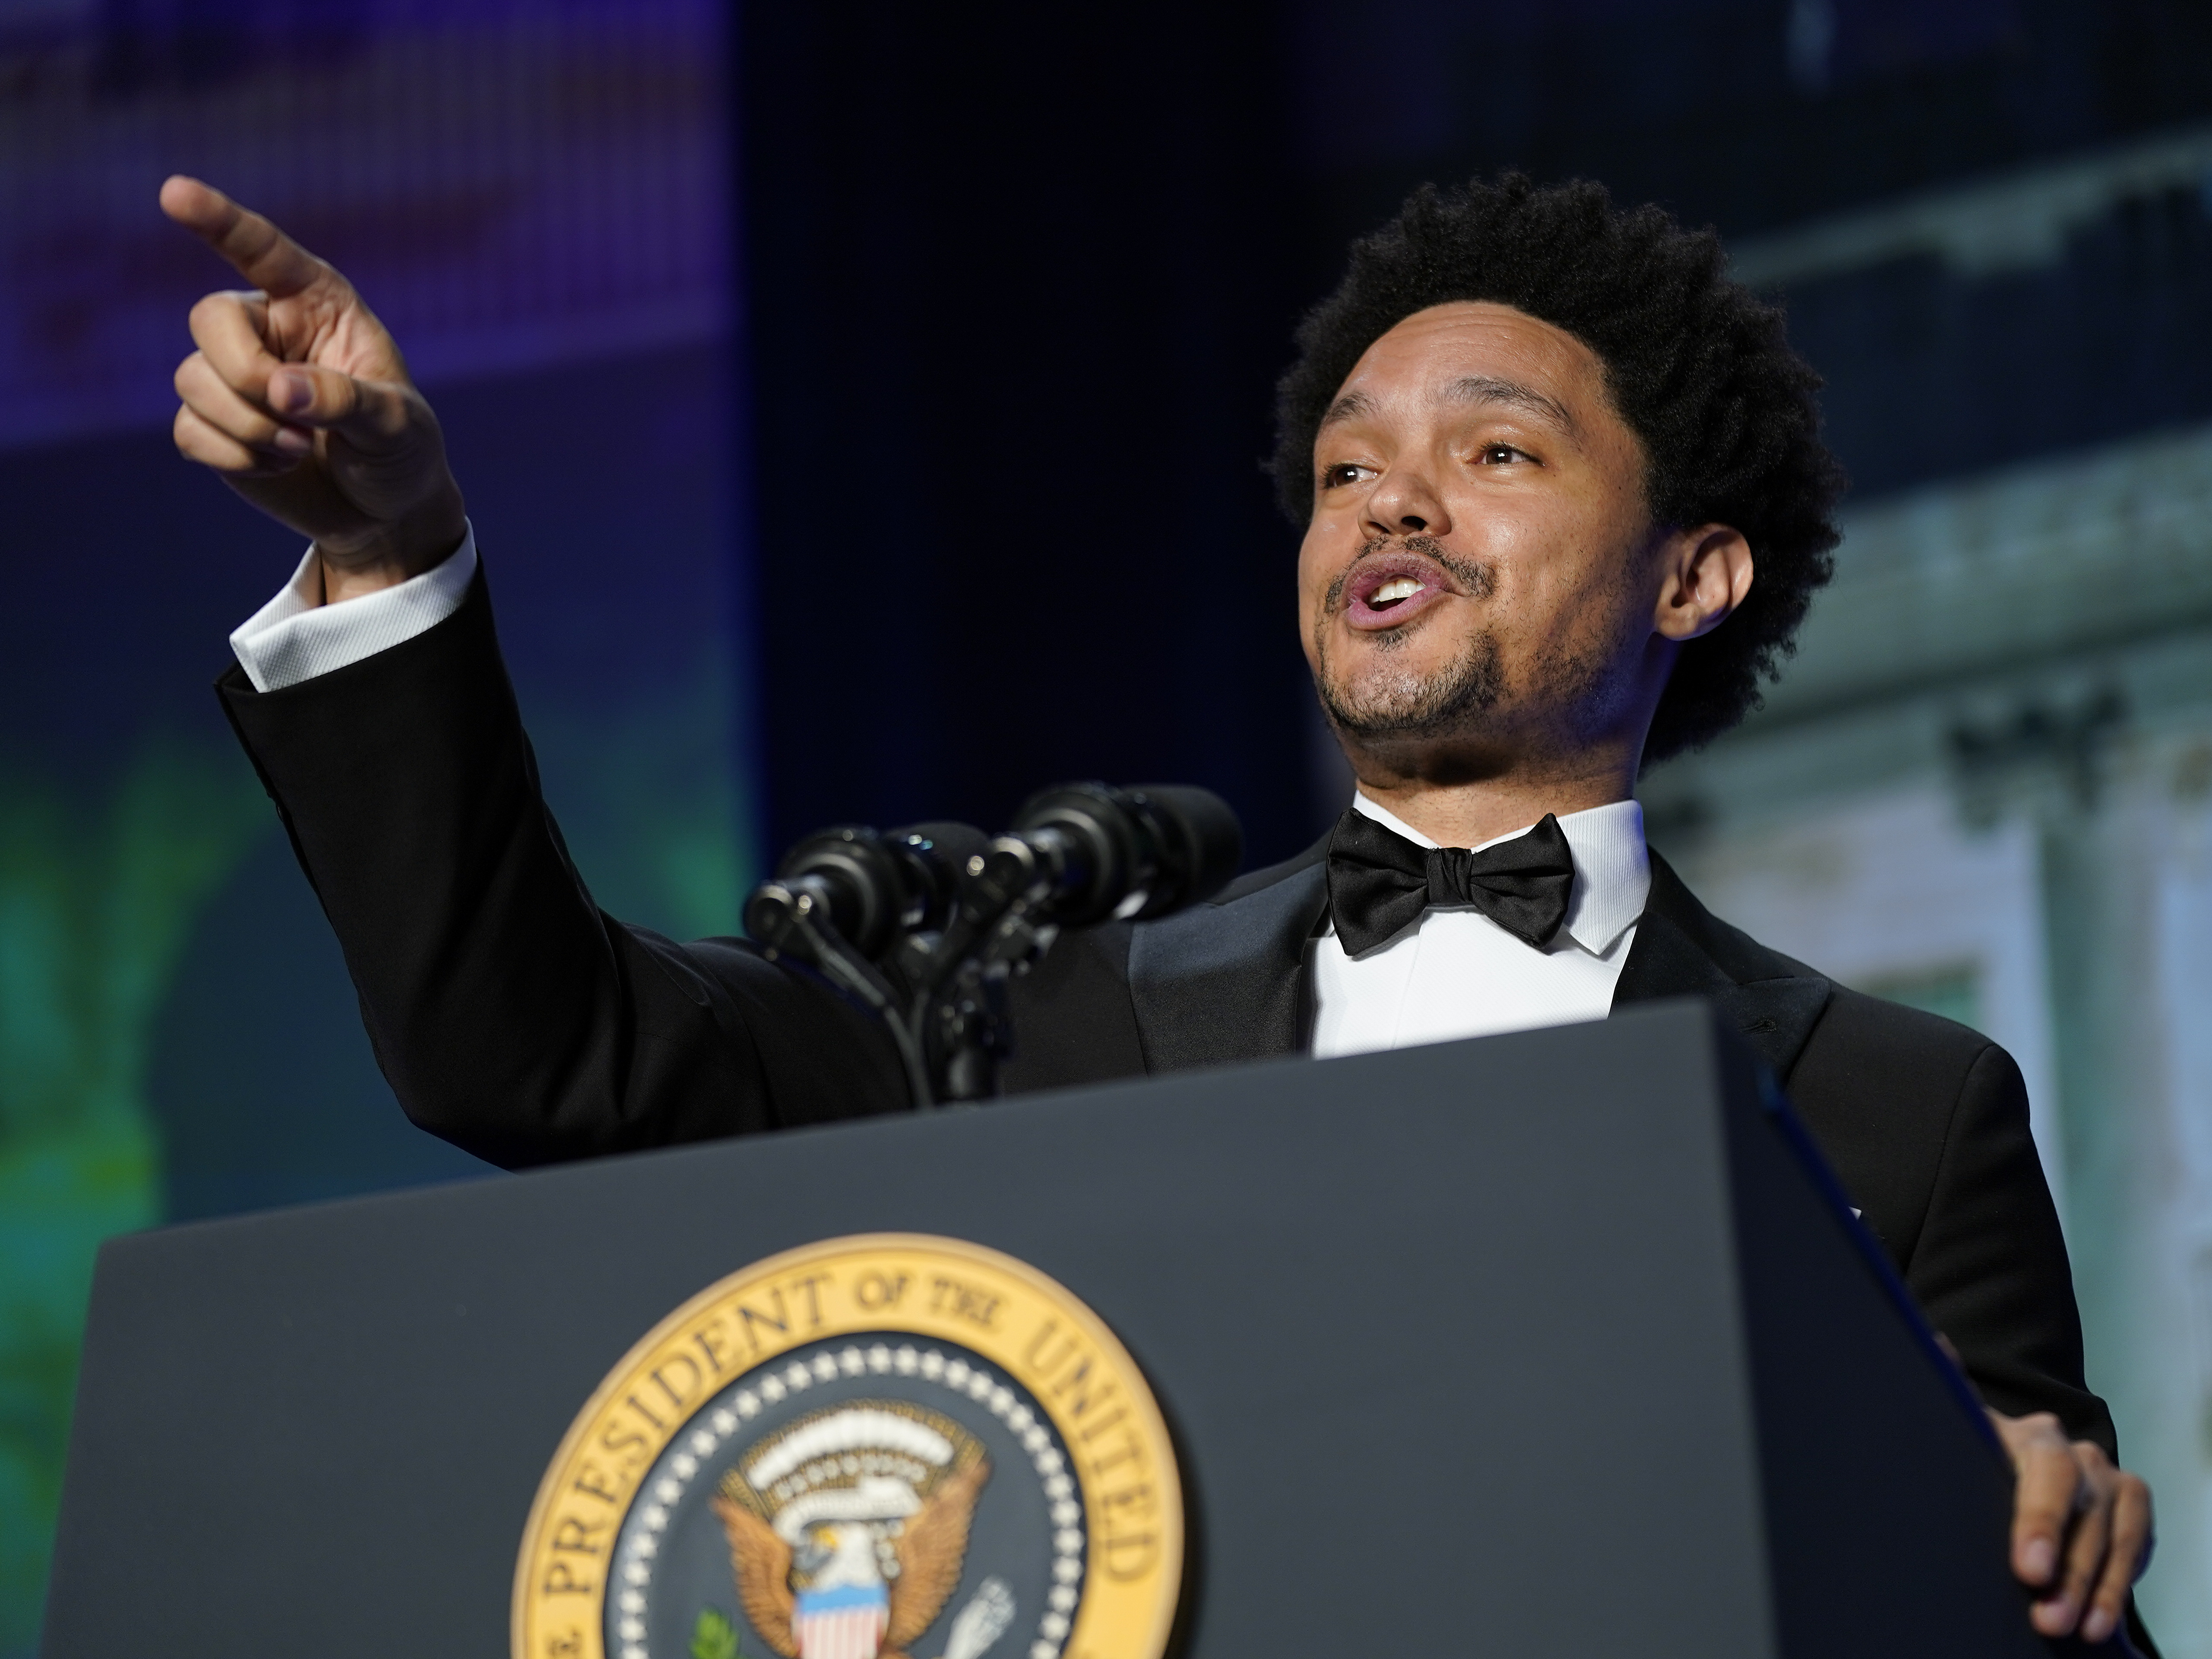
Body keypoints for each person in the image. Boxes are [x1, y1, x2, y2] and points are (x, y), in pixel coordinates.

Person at [160, 170, 2154, 1645]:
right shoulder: (1029, 1014)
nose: (1391, 502)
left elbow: (2041, 1583)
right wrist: (393, 556)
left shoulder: (1903, 1109)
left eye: (1495, 451)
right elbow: (534, 1048)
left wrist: (2028, 1527)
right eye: (1347, 470)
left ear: (1693, 576)